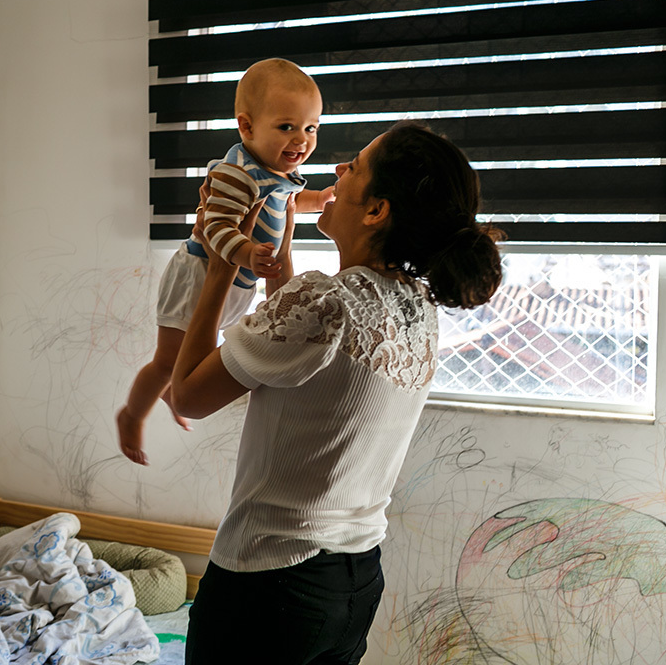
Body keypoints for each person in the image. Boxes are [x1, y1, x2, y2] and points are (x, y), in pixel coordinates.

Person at [170, 119, 504, 665]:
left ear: (377, 210)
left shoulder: (327, 305)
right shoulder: (416, 308)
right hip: (352, 581)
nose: (336, 169)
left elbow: (186, 395)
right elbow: (297, 336)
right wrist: (277, 236)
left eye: (355, 166)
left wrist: (217, 265)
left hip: (269, 581)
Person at [116, 58, 330, 466]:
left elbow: (284, 203)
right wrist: (246, 251)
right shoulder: (238, 174)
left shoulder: (279, 173)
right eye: (287, 126)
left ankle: (171, 389)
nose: (301, 139)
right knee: (167, 362)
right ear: (247, 127)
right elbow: (216, 227)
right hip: (199, 275)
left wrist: (315, 200)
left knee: (191, 361)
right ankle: (131, 415)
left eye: (311, 127)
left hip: (237, 283)